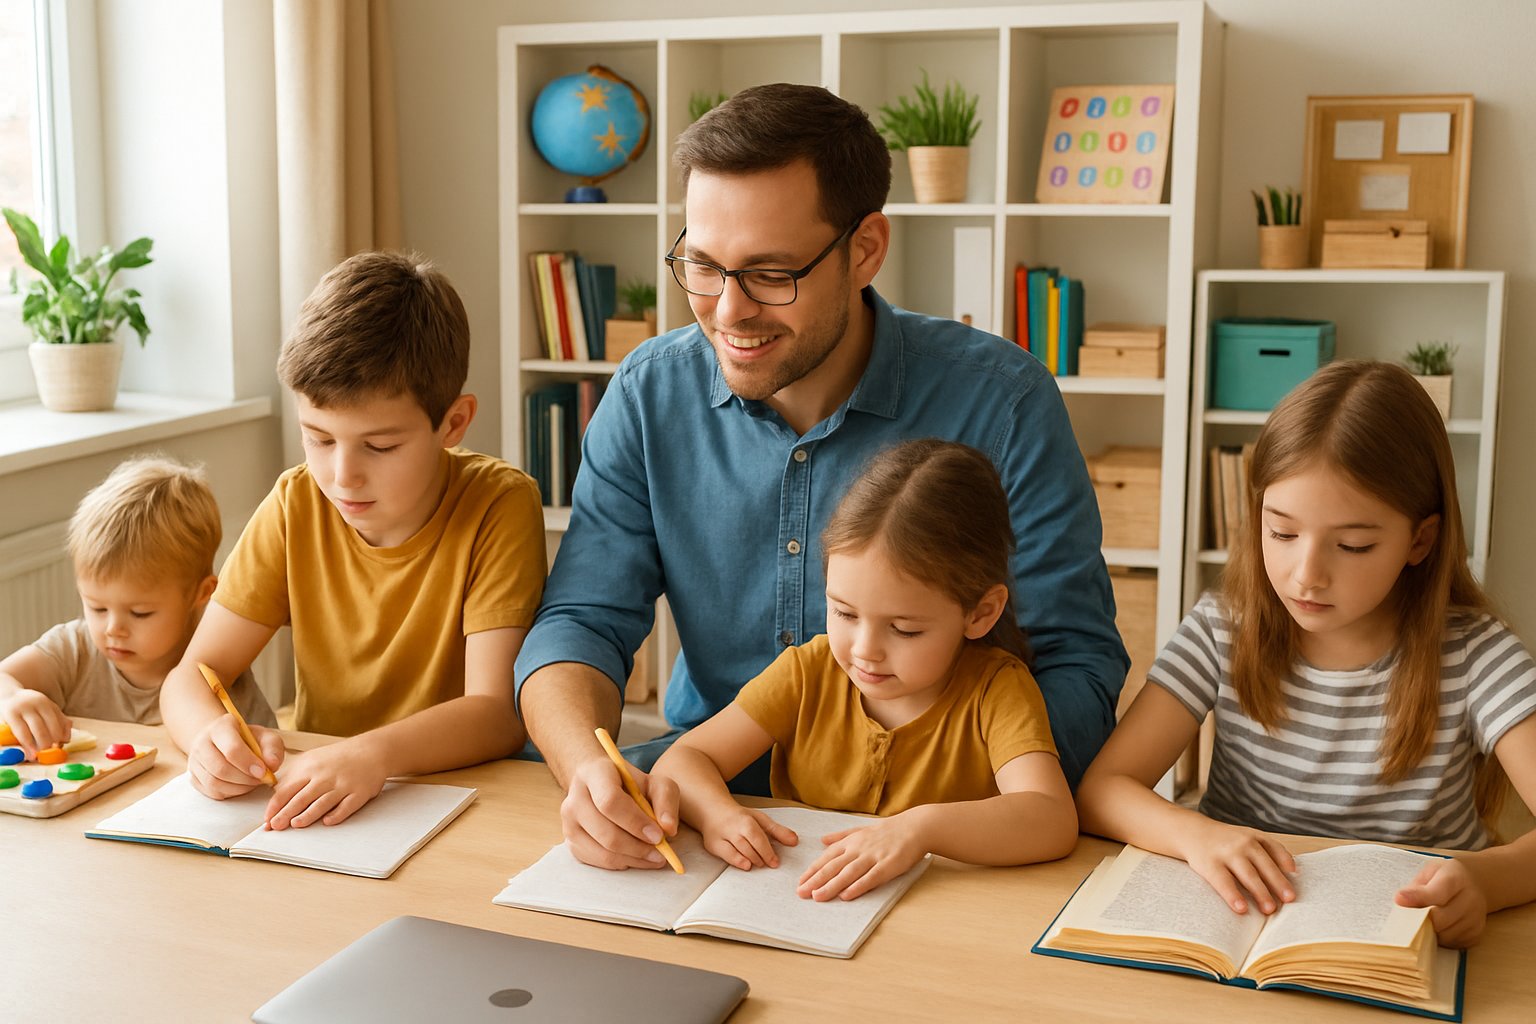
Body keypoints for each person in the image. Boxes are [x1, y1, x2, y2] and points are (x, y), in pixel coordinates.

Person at [516, 83, 1126, 872]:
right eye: (702, 266)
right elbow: (581, 622)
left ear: (866, 248)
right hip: (715, 804)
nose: (729, 311)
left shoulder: (1002, 401)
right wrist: (587, 769)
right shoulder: (648, 391)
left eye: (771, 274)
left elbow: (1077, 663)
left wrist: (921, 804)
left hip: (941, 825)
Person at [1076, 360, 1536, 949]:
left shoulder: (1478, 657)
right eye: (1282, 533)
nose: (1306, 575)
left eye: (1353, 544)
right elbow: (1102, 790)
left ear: (1420, 540)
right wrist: (1200, 835)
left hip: (1403, 941)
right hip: (1241, 931)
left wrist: (1486, 881)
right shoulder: (1225, 627)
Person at [159, 251, 546, 829]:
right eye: (317, 438)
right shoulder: (296, 504)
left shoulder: (499, 504)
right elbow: (191, 676)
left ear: (454, 423)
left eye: (380, 446)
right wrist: (207, 737)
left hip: (457, 799)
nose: (342, 476)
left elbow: (496, 714)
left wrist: (373, 753)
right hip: (325, 804)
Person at [650, 440, 1076, 900]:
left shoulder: (996, 690)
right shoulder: (807, 671)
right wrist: (717, 814)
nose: (865, 651)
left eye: (905, 629)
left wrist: (921, 828)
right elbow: (684, 759)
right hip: (797, 906)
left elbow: (1050, 818)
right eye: (844, 614)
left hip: (936, 921)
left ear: (980, 613)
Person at [0, 455, 274, 756]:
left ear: (202, 593)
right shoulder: (72, 650)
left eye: (140, 613)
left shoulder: (216, 661)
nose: (113, 628)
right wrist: (11, 698)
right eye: (97, 608)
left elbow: (262, 757)